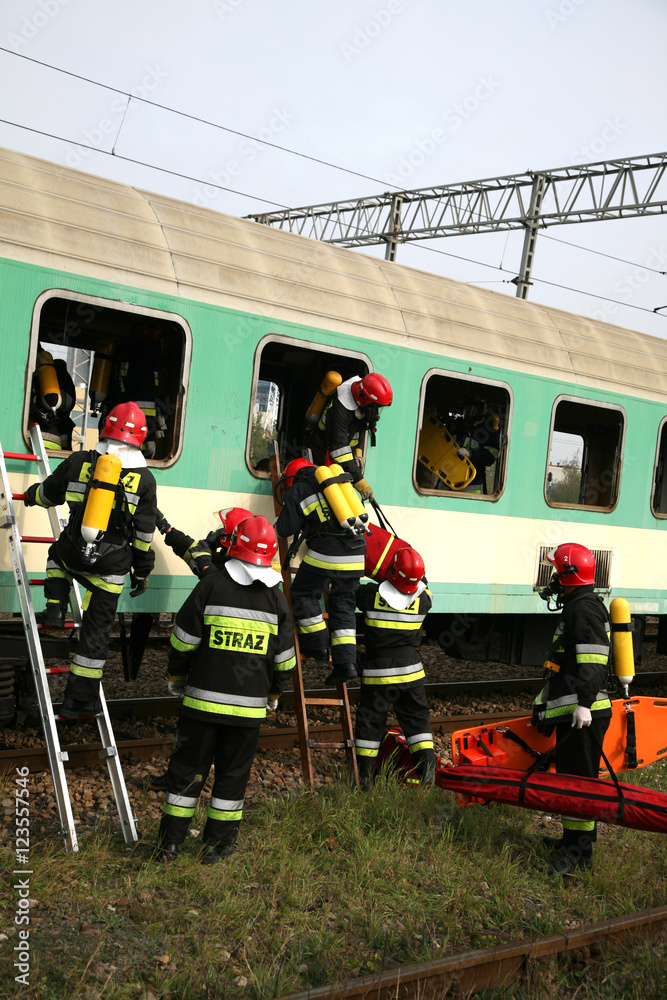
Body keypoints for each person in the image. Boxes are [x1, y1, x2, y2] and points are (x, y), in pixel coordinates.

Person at [155, 515, 296, 863]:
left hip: (200, 707)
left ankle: (170, 845)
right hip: (247, 715)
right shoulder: (277, 602)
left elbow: (183, 641)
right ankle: (216, 848)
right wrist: (275, 695)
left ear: (232, 546)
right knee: (232, 781)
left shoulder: (211, 586)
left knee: (186, 773)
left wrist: (177, 676)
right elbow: (285, 662)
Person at [23, 402, 157, 719]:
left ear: (104, 429)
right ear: (140, 439)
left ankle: (54, 607)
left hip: (73, 552)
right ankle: (78, 702)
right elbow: (143, 537)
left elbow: (49, 494)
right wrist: (141, 574)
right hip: (110, 570)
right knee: (95, 637)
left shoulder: (79, 460)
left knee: (56, 555)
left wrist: (30, 495)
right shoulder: (145, 480)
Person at [533, 542, 612, 876]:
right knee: (572, 780)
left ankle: (577, 855)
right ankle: (572, 842)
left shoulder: (584, 609)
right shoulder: (578, 604)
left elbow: (593, 661)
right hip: (579, 711)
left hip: (585, 713)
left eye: (556, 570)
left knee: (579, 784)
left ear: (568, 575)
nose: (552, 576)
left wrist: (583, 704)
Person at [275, 458, 365, 686]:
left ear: (293, 477)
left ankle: (317, 646)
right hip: (357, 556)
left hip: (328, 554)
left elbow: (285, 529)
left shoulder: (300, 489)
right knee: (343, 604)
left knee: (303, 594)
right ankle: (346, 664)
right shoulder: (339, 484)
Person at [354, 546, 435, 789]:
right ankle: (428, 775)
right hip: (411, 672)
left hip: (378, 673)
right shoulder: (424, 600)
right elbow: (424, 583)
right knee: (418, 723)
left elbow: (352, 590)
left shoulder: (370, 595)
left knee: (370, 723)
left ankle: (365, 779)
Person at [308, 372, 392, 502]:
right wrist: (361, 483)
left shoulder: (361, 399)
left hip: (337, 465)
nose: (375, 414)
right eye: (375, 408)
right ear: (365, 400)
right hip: (321, 459)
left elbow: (359, 429)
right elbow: (339, 451)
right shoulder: (340, 410)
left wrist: (358, 453)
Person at [155, 506, 253, 578]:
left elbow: (217, 588)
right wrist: (168, 530)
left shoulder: (245, 575)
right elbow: (190, 548)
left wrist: (206, 567)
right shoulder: (223, 559)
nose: (220, 532)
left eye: (224, 528)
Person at [449, 393, 500, 495]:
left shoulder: (488, 430)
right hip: (446, 479)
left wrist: (470, 454)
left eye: (474, 408)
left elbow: (491, 456)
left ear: (483, 409)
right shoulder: (456, 425)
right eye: (469, 407)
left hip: (471, 486)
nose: (471, 411)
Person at [29, 355, 77, 451]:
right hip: (59, 427)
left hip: (39, 427)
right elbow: (69, 403)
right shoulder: (65, 379)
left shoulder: (39, 376)